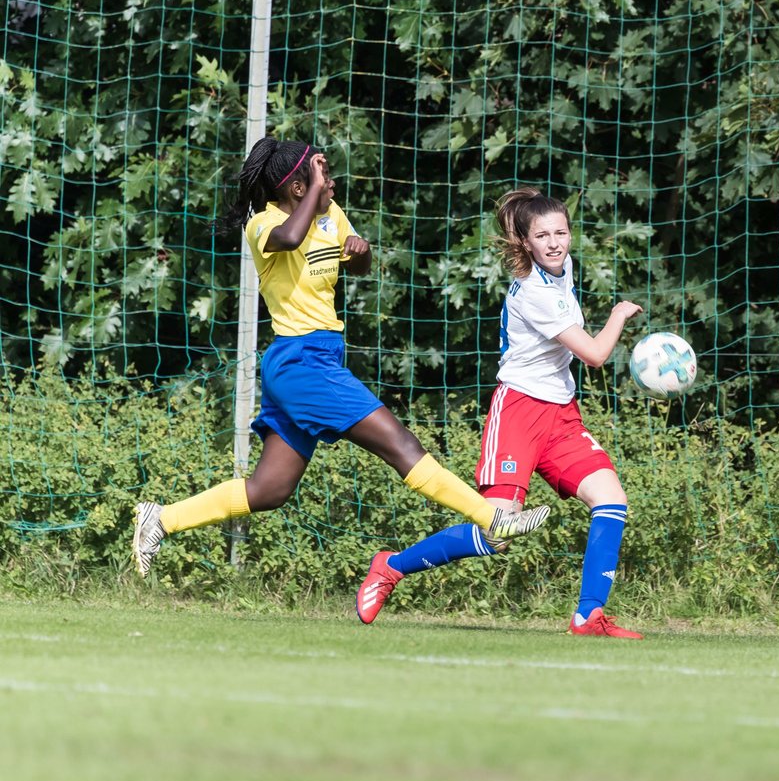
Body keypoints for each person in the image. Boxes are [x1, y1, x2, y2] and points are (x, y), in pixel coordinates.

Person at [131, 138, 550, 576]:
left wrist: (362, 252)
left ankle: (161, 518)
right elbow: (291, 237)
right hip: (300, 361)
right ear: (297, 187)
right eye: (321, 174)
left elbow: (357, 261)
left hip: (319, 359)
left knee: (270, 489)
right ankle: (492, 517)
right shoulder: (264, 223)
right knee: (401, 445)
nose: (330, 181)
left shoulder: (331, 214)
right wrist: (314, 185)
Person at [354, 187, 646, 639]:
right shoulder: (535, 293)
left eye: (561, 232)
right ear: (526, 243)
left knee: (611, 501)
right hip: (519, 413)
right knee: (498, 533)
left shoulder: (561, 268)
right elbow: (594, 355)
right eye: (542, 235)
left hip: (561, 415)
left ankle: (588, 617)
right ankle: (391, 567)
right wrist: (619, 315)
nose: (554, 243)